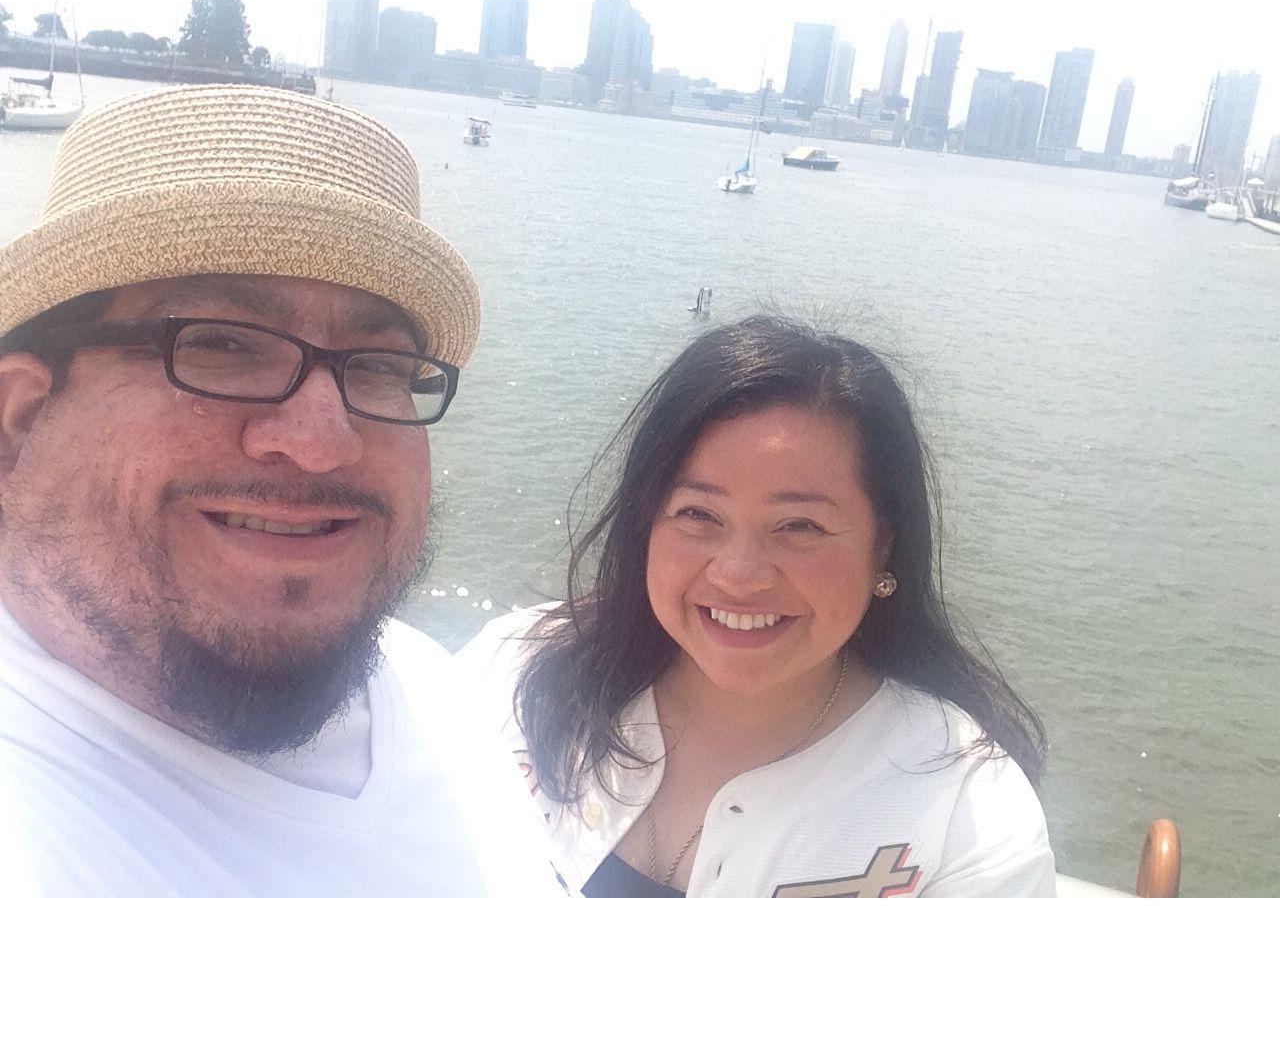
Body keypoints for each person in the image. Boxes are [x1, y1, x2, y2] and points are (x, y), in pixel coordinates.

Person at [0, 84, 561, 897]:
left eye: (379, 366)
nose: (322, 442)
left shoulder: (417, 674)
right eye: (222, 345)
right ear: (20, 422)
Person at [460, 315, 1056, 897]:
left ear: (883, 548)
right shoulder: (509, 675)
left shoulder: (967, 814)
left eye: (800, 525)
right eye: (699, 514)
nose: (738, 575)